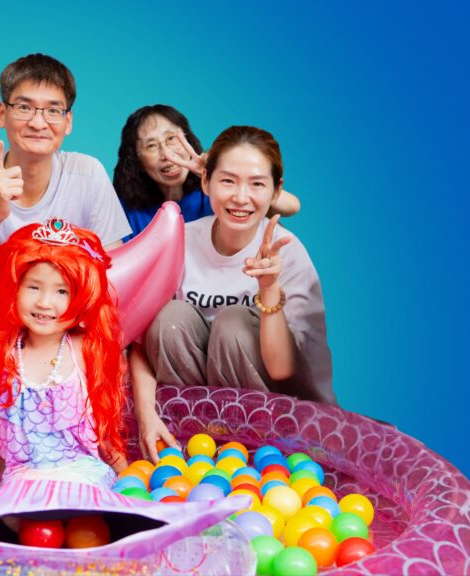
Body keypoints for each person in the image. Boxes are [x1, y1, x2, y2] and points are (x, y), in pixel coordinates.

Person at [130, 126, 334, 461]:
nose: (241, 197)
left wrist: (269, 290)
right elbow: (139, 345)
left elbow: (286, 370)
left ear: (274, 191)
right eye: (228, 181)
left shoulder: (288, 252)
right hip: (193, 419)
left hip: (274, 417)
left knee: (234, 324)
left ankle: (252, 452)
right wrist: (146, 417)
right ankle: (188, 443)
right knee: (170, 318)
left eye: (256, 184)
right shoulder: (178, 240)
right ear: (206, 183)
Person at [0, 218, 127, 488]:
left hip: (82, 473)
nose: (44, 302)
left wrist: (130, 477)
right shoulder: (5, 354)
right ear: (14, 289)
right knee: (14, 518)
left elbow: (103, 424)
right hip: (23, 479)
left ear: (82, 298)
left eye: (62, 291)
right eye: (33, 287)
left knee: (83, 511)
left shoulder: (82, 349)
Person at [0, 53, 130, 263]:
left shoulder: (88, 174)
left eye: (53, 110)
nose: (38, 123)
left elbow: (114, 272)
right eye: (24, 108)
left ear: (68, 121)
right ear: (2, 114)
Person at [113, 105, 300, 242]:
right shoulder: (125, 208)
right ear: (137, 161)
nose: (167, 155)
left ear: (188, 140)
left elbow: (291, 206)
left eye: (171, 139)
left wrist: (213, 172)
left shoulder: (215, 189)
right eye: (151, 146)